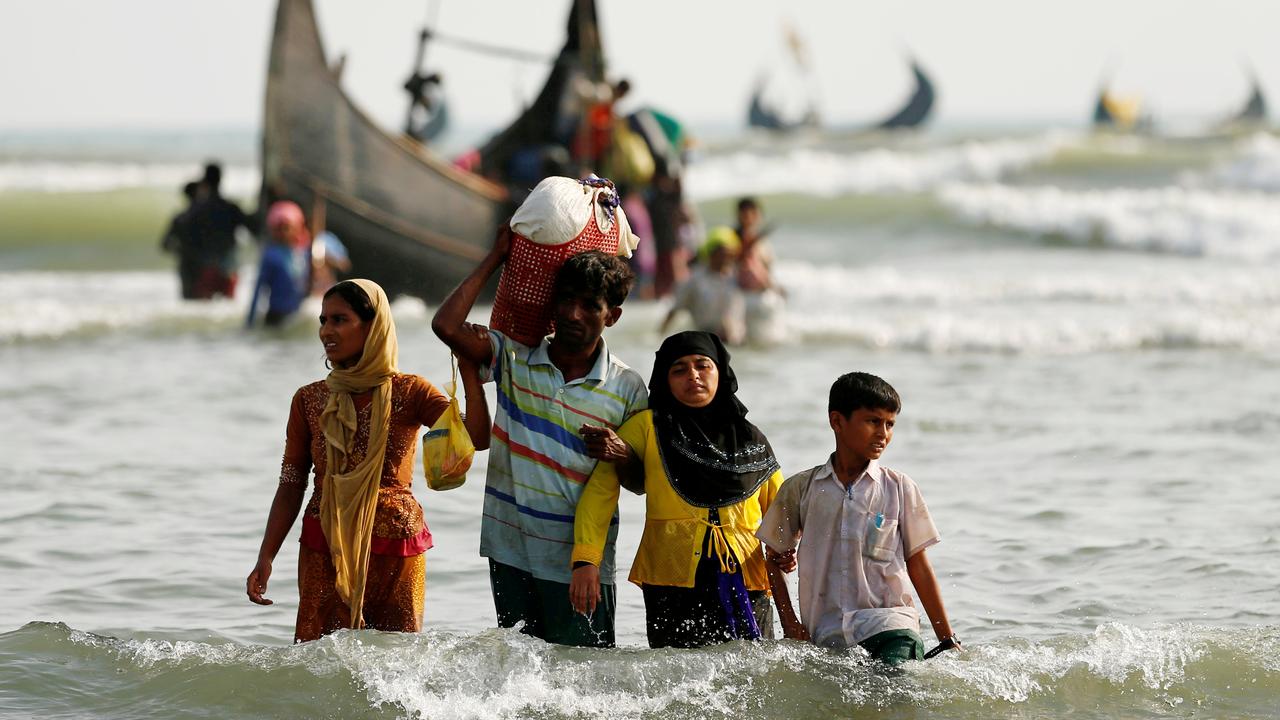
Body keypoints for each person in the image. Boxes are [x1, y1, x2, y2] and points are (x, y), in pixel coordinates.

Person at [432, 231, 648, 648]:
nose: (573, 313)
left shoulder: (627, 388)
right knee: (521, 678)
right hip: (509, 549)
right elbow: (446, 325)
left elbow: (639, 482)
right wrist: (497, 254)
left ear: (613, 316)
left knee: (585, 684)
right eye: (565, 300)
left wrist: (620, 453)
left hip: (580, 565)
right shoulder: (513, 358)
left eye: (589, 305)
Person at [245, 279, 486, 642]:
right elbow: (291, 482)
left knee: (398, 665)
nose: (326, 330)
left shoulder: (411, 390)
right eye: (323, 320)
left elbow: (476, 439)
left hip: (396, 548)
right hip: (325, 545)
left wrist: (470, 374)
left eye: (339, 320)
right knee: (316, 664)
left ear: (373, 327)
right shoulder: (309, 399)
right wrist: (266, 556)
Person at [570, 331, 785, 648]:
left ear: (720, 371)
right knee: (675, 679)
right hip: (671, 579)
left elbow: (782, 509)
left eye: (702, 365)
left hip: (746, 577)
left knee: (753, 677)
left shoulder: (751, 438)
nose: (693, 376)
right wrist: (586, 560)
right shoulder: (647, 426)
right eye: (679, 369)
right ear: (665, 380)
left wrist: (786, 550)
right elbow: (600, 490)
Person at [757, 372, 961, 664]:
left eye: (890, 424)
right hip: (826, 634)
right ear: (837, 421)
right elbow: (773, 555)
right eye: (873, 421)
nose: (883, 434)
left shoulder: (899, 488)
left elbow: (919, 564)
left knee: (895, 691)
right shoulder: (802, 488)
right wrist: (790, 623)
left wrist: (946, 638)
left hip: (891, 625)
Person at [661, 227, 745, 345]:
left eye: (731, 255)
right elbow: (675, 309)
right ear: (711, 253)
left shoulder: (738, 277)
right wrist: (660, 336)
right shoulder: (694, 280)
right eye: (723, 254)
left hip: (737, 340)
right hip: (707, 339)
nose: (727, 259)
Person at [188, 162, 252, 299]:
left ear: (204, 180)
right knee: (227, 309)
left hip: (206, 267)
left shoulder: (198, 210)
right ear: (221, 179)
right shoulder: (231, 208)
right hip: (228, 267)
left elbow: (189, 238)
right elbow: (252, 226)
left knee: (205, 312)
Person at [246, 201, 311, 328]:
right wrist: (250, 322)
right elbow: (258, 290)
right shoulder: (271, 256)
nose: (283, 233)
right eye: (278, 229)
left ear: (297, 227)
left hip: (296, 314)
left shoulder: (304, 252)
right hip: (276, 316)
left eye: (287, 228)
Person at [733, 197, 786, 345]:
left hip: (763, 294)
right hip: (743, 297)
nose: (749, 218)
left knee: (768, 339)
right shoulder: (733, 239)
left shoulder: (761, 241)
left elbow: (767, 269)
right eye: (745, 214)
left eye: (753, 214)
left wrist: (773, 286)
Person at [160, 181, 201, 299]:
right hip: (203, 264)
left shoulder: (180, 218)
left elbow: (165, 244)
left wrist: (180, 249)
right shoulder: (206, 217)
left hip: (185, 264)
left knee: (188, 299)